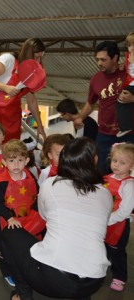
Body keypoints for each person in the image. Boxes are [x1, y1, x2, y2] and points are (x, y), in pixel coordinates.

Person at [0, 137, 113, 300]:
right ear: (94, 160)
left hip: (54, 279)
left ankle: (23, 295)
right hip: (94, 281)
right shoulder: (105, 193)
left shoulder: (51, 184)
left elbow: (45, 216)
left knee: (8, 235)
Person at [73, 41, 134, 174]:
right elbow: (90, 103)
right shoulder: (95, 79)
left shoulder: (129, 76)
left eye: (103, 59)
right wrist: (79, 118)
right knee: (102, 172)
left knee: (127, 173)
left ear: (115, 58)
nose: (99, 63)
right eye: (97, 59)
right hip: (104, 135)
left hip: (129, 134)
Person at [0, 139, 45, 288]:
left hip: (29, 218)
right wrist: (9, 218)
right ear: (4, 161)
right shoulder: (1, 181)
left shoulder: (29, 176)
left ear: (27, 160)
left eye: (20, 160)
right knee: (7, 250)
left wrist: (36, 212)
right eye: (11, 160)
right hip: (8, 221)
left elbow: (37, 194)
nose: (16, 165)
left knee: (30, 244)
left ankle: (29, 268)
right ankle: (8, 272)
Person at [0, 38, 46, 142]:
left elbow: (31, 100)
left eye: (40, 58)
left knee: (11, 151)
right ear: (28, 53)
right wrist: (5, 88)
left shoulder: (32, 73)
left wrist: (40, 125)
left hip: (11, 116)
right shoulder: (8, 59)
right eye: (36, 57)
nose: (38, 61)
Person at [103, 143, 134, 292]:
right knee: (102, 247)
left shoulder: (129, 185)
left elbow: (125, 210)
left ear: (132, 166)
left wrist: (107, 220)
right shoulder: (106, 178)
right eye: (114, 160)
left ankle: (119, 277)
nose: (116, 165)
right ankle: (102, 267)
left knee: (117, 251)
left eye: (122, 163)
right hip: (104, 221)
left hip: (119, 225)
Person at [116, 32, 134, 137]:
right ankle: (125, 126)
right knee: (122, 100)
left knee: (121, 100)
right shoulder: (129, 55)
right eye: (129, 45)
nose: (131, 48)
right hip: (131, 83)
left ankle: (126, 126)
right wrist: (124, 65)